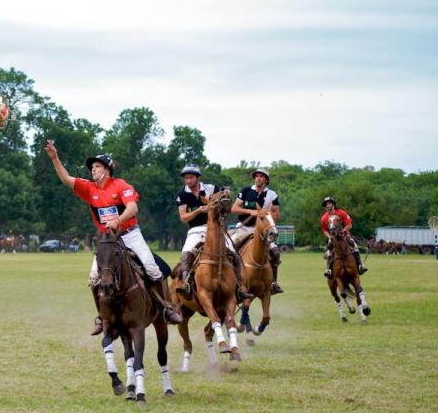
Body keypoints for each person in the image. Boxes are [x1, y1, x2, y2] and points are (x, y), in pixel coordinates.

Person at [44, 140, 182, 335]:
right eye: (92, 167)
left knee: (152, 269)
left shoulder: (120, 185)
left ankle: (166, 308)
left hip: (130, 235)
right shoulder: (89, 188)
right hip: (107, 241)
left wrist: (118, 220)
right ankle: (101, 317)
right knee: (94, 279)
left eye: (97, 166)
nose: (93, 169)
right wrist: (54, 158)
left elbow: (133, 208)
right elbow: (66, 179)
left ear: (107, 169)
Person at [174, 164, 254, 301]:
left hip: (216, 228)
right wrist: (199, 210)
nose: (188, 181)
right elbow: (183, 217)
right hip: (195, 230)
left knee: (234, 253)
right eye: (186, 178)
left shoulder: (211, 188)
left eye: (191, 177)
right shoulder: (182, 194)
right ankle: (186, 284)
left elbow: (224, 203)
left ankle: (240, 287)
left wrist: (225, 198)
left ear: (198, 178)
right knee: (186, 254)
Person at [230, 168, 284, 295]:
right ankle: (231, 279)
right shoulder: (246, 191)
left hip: (262, 232)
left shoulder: (272, 195)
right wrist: (250, 211)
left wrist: (268, 216)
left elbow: (276, 213)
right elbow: (234, 208)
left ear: (266, 180)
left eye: (261, 176)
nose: (258, 178)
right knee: (229, 248)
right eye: (257, 176)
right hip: (244, 228)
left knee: (275, 253)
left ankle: (273, 283)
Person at [320, 196, 368, 277]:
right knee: (329, 252)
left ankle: (360, 266)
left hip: (344, 236)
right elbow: (324, 230)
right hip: (333, 238)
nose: (328, 205)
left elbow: (349, 225)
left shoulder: (341, 213)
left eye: (329, 203)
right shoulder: (324, 217)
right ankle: (328, 270)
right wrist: (329, 237)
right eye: (326, 204)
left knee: (355, 246)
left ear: (333, 204)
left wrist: (343, 231)